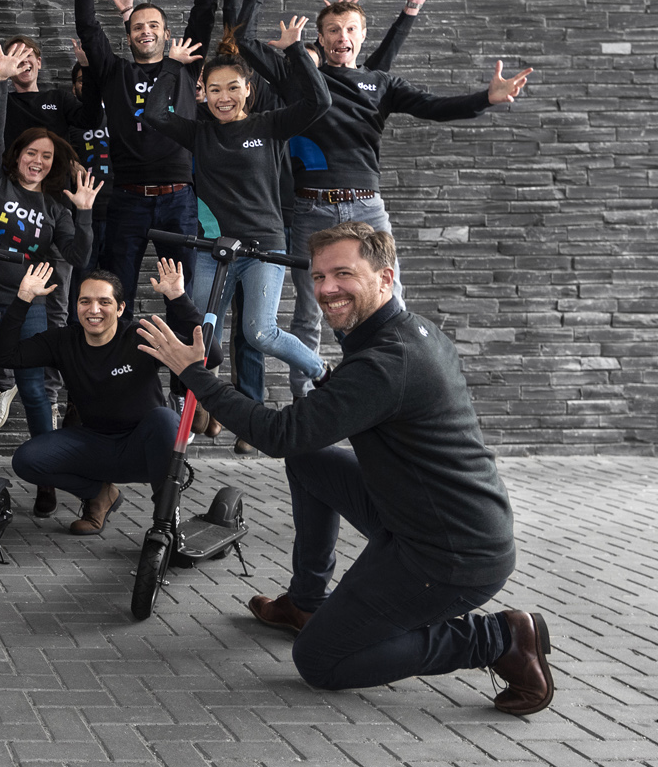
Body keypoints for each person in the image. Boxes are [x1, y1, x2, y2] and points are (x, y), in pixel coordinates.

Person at [135, 222, 553, 716]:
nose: (327, 288)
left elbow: (280, 434)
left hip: (449, 555)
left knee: (320, 661)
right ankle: (305, 601)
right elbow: (344, 411)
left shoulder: (388, 361)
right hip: (417, 515)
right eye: (318, 277)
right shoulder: (407, 332)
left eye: (343, 274)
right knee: (311, 461)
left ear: (385, 277)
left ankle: (500, 639)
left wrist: (193, 373)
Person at [233, 0, 531, 392]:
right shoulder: (300, 79)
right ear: (320, 39)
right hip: (311, 210)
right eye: (333, 30)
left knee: (390, 301)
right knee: (310, 310)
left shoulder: (379, 83)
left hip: (367, 209)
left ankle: (397, 392)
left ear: (361, 36)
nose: (343, 36)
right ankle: (306, 403)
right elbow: (242, 40)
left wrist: (484, 98)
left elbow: (434, 106)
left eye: (351, 29)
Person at [141, 25, 332, 388]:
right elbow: (155, 115)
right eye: (214, 89)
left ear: (247, 89)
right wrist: (171, 65)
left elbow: (319, 102)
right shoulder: (201, 132)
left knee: (260, 332)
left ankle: (321, 372)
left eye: (232, 88)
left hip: (264, 247)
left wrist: (294, 51)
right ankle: (201, 405)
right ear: (204, 92)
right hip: (213, 249)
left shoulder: (270, 125)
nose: (223, 97)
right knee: (202, 336)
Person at [0, 32, 100, 512]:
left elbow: (78, 257)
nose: (37, 161)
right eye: (31, 153)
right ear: (17, 155)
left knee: (36, 391)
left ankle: (45, 476)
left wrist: (84, 213)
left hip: (29, 306)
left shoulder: (55, 206)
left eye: (46, 157)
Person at [71, 0, 221, 312]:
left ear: (166, 33)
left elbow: (204, 11)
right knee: (115, 293)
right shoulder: (114, 71)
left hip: (178, 198)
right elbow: (87, 26)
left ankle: (184, 357)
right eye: (138, 26)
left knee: (182, 297)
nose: (146, 31)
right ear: (129, 36)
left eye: (153, 25)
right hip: (128, 198)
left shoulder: (185, 66)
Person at [0, 259, 199, 535]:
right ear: (76, 306)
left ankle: (166, 522)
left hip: (145, 449)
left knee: (165, 418)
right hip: (95, 444)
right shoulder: (64, 340)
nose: (93, 310)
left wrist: (178, 298)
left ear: (120, 308)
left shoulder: (141, 335)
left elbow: (208, 356)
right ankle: (100, 496)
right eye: (85, 301)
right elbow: (4, 355)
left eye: (104, 302)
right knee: (27, 460)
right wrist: (23, 298)